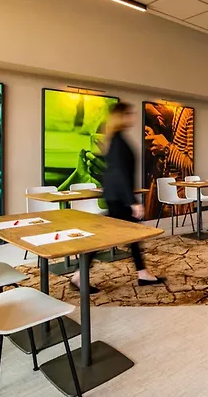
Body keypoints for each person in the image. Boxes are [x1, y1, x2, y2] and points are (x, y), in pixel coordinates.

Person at [70, 102, 165, 293]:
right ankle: (79, 276)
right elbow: (120, 173)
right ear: (121, 116)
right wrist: (132, 202)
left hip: (116, 196)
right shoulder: (118, 141)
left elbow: (115, 172)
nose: (132, 117)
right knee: (108, 237)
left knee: (131, 236)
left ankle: (142, 273)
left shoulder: (116, 139)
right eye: (129, 114)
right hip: (119, 199)